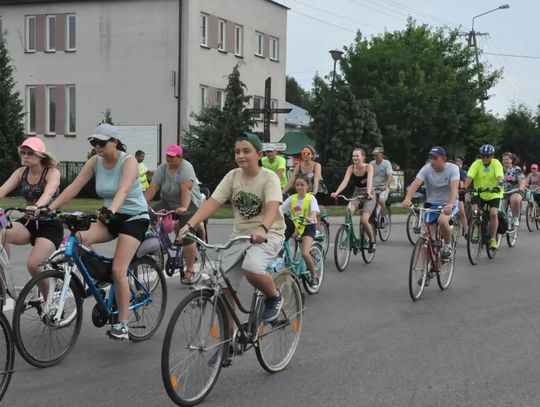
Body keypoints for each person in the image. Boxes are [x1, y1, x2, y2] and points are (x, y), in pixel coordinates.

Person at [48, 123, 150, 340]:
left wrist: (111, 209)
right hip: (109, 216)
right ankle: (102, 276)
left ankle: (122, 323)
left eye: (101, 143)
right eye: (93, 142)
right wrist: (49, 208)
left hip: (134, 218)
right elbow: (73, 187)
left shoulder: (129, 161)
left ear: (114, 142)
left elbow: (123, 189)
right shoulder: (95, 161)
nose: (97, 146)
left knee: (119, 270)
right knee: (78, 238)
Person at [178, 133, 285, 326]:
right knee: (223, 285)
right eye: (237, 152)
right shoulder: (233, 176)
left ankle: (274, 296)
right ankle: (226, 345)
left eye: (246, 151)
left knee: (252, 268)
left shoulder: (269, 178)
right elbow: (212, 203)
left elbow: (272, 206)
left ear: (259, 154)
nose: (240, 156)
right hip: (240, 236)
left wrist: (262, 228)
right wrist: (189, 225)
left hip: (269, 234)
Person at [0, 137, 63, 278]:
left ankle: (49, 299)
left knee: (33, 265)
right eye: (23, 153)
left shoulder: (52, 172)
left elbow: (49, 193)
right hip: (28, 222)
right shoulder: (21, 172)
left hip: (50, 225)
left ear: (41, 156)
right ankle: (3, 282)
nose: (25, 156)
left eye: (30, 153)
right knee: (1, 233)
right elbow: (2, 191)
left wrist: (38, 206)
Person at [144, 144, 202, 284]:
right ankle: (164, 245)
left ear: (180, 157)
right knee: (148, 216)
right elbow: (153, 188)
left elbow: (186, 190)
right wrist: (141, 204)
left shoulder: (186, 168)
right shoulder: (162, 168)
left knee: (185, 234)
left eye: (172, 156)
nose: (168, 158)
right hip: (169, 202)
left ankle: (189, 269)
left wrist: (183, 207)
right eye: (167, 155)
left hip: (188, 203)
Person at [403, 146, 459, 262]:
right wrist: (408, 198)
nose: (432, 161)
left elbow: (454, 187)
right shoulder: (426, 169)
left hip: (449, 203)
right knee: (428, 237)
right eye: (431, 158)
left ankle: (447, 247)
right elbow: (415, 184)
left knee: (443, 221)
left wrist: (449, 204)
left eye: (435, 158)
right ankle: (426, 269)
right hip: (431, 203)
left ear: (444, 158)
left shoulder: (453, 169)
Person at [330, 148, 376, 253]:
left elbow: (369, 181)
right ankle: (349, 238)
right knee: (348, 211)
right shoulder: (351, 168)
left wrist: (368, 192)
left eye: (357, 156)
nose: (355, 158)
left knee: (364, 221)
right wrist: (336, 192)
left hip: (369, 195)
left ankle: (372, 241)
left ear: (363, 157)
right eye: (353, 156)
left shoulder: (369, 167)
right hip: (357, 193)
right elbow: (344, 182)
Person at [463, 144, 504, 250]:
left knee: (493, 214)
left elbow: (499, 176)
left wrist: (499, 185)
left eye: (488, 156)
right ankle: (476, 228)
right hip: (479, 192)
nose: (485, 158)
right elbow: (469, 177)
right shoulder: (476, 163)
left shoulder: (496, 163)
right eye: (483, 156)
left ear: (492, 156)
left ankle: (493, 239)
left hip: (493, 193)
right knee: (475, 212)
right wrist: (463, 188)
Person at [282, 174, 320, 283]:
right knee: (283, 234)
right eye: (297, 185)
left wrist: (311, 217)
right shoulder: (292, 198)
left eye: (302, 185)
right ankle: (286, 259)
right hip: (297, 227)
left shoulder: (311, 198)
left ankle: (314, 275)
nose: (299, 187)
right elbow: (280, 209)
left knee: (304, 253)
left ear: (308, 186)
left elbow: (314, 211)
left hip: (308, 226)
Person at [501, 152, 526, 228]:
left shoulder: (516, 169)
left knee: (515, 199)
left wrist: (521, 187)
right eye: (503, 159)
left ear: (511, 160)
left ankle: (515, 218)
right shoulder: (499, 169)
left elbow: (522, 180)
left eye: (507, 159)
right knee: (500, 209)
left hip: (515, 191)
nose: (505, 161)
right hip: (503, 193)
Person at [370, 147, 393, 225]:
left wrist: (386, 185)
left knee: (381, 200)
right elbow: (368, 176)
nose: (375, 157)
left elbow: (390, 176)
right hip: (373, 187)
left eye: (377, 155)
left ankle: (383, 218)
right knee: (368, 201)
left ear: (382, 155)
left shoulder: (386, 163)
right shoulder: (371, 164)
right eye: (374, 155)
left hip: (383, 187)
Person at [455, 155, 469, 236]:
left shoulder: (462, 173)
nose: (458, 163)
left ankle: (467, 232)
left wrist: (461, 191)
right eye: (457, 161)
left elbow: (462, 184)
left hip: (459, 194)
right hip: (448, 195)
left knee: (462, 213)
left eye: (459, 161)